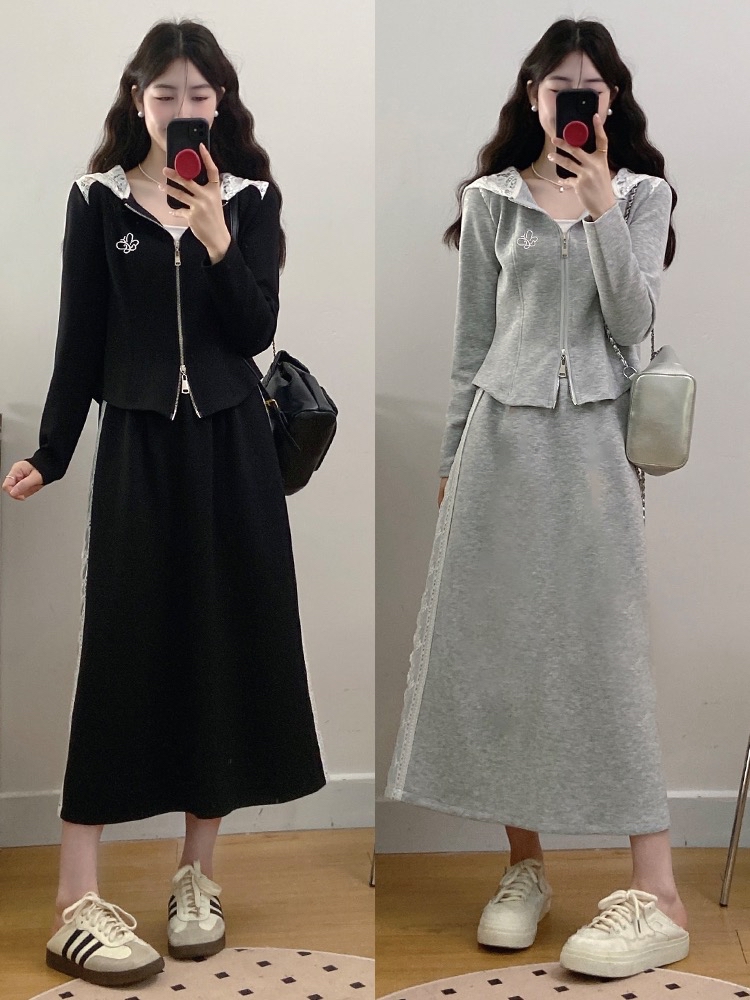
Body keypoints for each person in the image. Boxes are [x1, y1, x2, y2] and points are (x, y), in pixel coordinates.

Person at [2, 18, 326, 989]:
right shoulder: (97, 201)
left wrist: (219, 233)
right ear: (137, 99)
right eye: (165, 94)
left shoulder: (253, 198)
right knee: (122, 648)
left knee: (220, 645)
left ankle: (198, 875)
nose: (183, 108)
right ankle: (75, 897)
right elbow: (80, 340)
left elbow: (255, 328)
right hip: (138, 448)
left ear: (219, 101)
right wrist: (53, 451)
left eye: (199, 94)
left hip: (233, 451)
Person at [384, 18, 689, 979]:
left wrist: (600, 210)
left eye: (590, 88)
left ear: (611, 100)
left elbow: (634, 327)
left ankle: (659, 891)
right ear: (532, 95)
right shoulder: (491, 201)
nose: (574, 100)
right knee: (508, 652)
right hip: (499, 446)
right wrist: (450, 460)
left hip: (597, 448)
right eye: (559, 87)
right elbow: (471, 348)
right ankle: (525, 868)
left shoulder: (642, 195)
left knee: (608, 651)